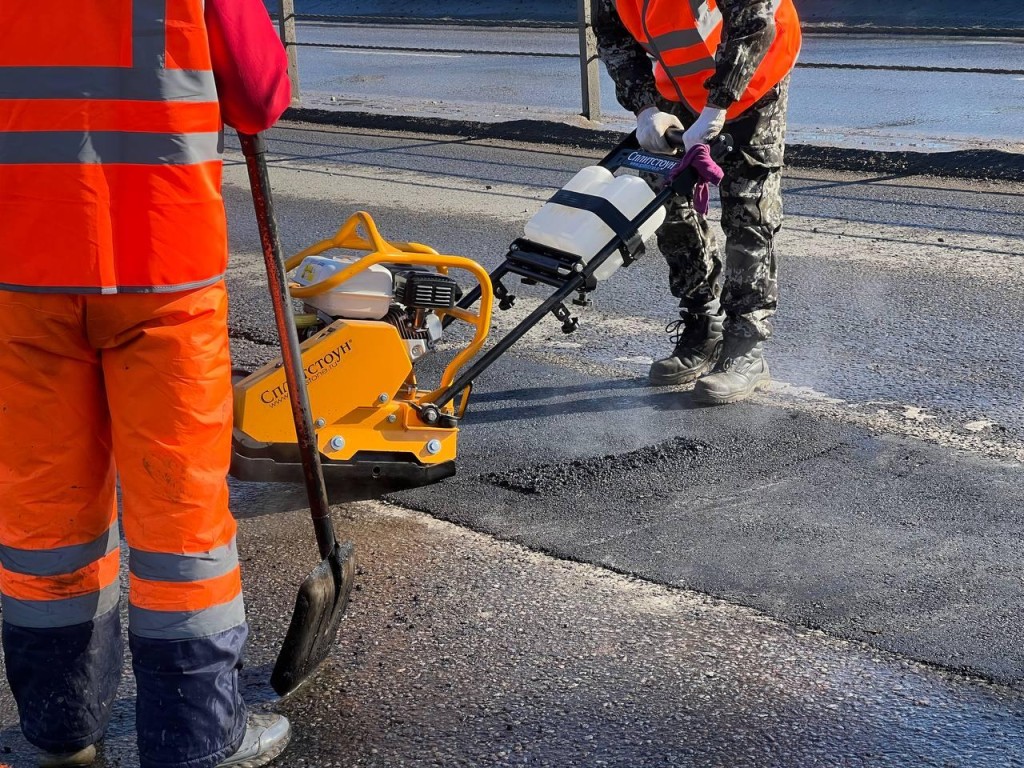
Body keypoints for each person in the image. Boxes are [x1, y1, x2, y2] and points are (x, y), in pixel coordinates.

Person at [0, 1, 292, 766]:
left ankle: (61, 729)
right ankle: (193, 739)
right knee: (181, 522)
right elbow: (261, 97)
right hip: (163, 268)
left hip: (21, 265)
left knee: (44, 516)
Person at [595, 0, 802, 404]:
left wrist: (718, 105)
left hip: (755, 75)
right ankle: (702, 320)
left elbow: (754, 21)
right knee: (664, 199)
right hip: (681, 86)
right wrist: (645, 107)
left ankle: (746, 343)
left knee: (749, 208)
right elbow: (613, 36)